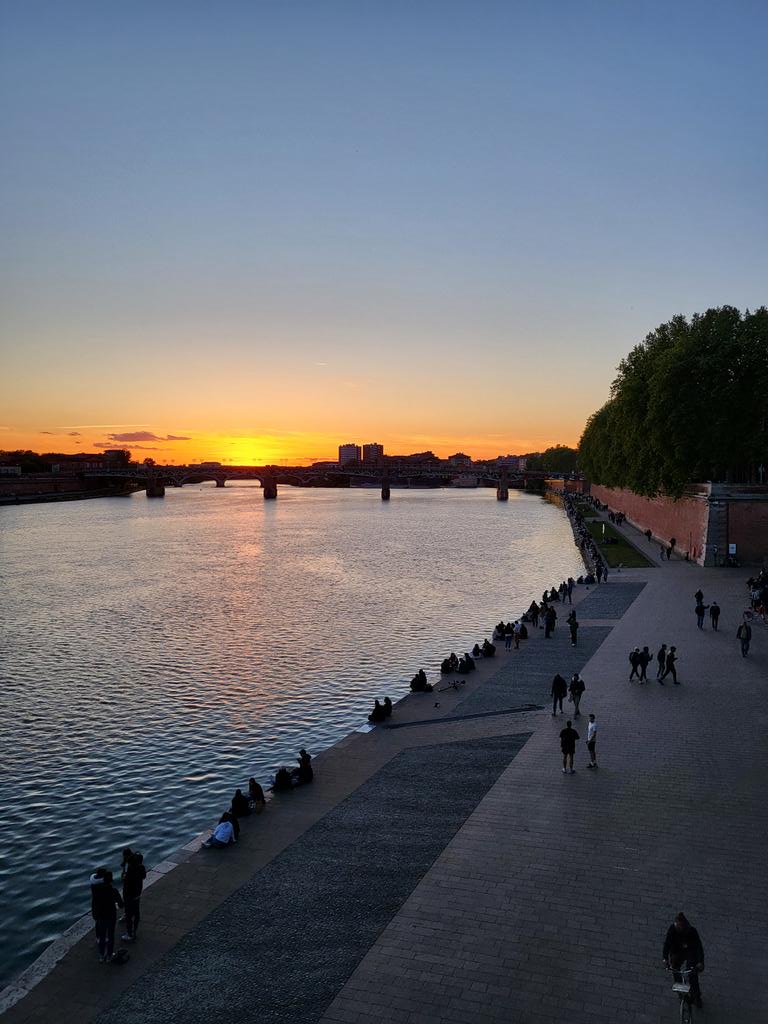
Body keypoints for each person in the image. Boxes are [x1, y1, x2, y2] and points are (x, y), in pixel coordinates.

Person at [663, 912, 704, 1009]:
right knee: (675, 969)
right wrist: (665, 959)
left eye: (680, 926)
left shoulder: (691, 931)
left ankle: (696, 996)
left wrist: (700, 962)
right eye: (677, 926)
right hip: (677, 952)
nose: (678, 928)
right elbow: (667, 944)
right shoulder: (672, 930)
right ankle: (680, 992)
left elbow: (698, 947)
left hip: (690, 952)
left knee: (692, 973)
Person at [90, 868, 123, 962]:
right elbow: (120, 904)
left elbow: (94, 904)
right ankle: (109, 956)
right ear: (111, 880)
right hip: (111, 915)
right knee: (111, 936)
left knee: (102, 936)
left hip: (100, 917)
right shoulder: (113, 891)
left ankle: (101, 955)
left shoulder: (96, 891)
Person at [122, 851, 146, 942]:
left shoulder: (132, 870)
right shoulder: (141, 868)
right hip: (137, 894)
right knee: (136, 912)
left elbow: (126, 882)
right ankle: (134, 930)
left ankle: (130, 934)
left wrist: (124, 875)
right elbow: (143, 877)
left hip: (129, 895)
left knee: (129, 914)